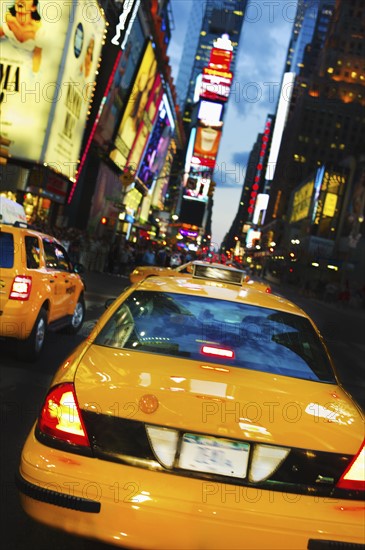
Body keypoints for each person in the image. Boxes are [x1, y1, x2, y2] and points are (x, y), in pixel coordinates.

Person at [0, 0, 45, 73]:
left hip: (25, 68)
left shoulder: (38, 30)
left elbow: (37, 56)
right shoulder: (9, 20)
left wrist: (33, 74)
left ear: (33, 7)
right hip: (7, 61)